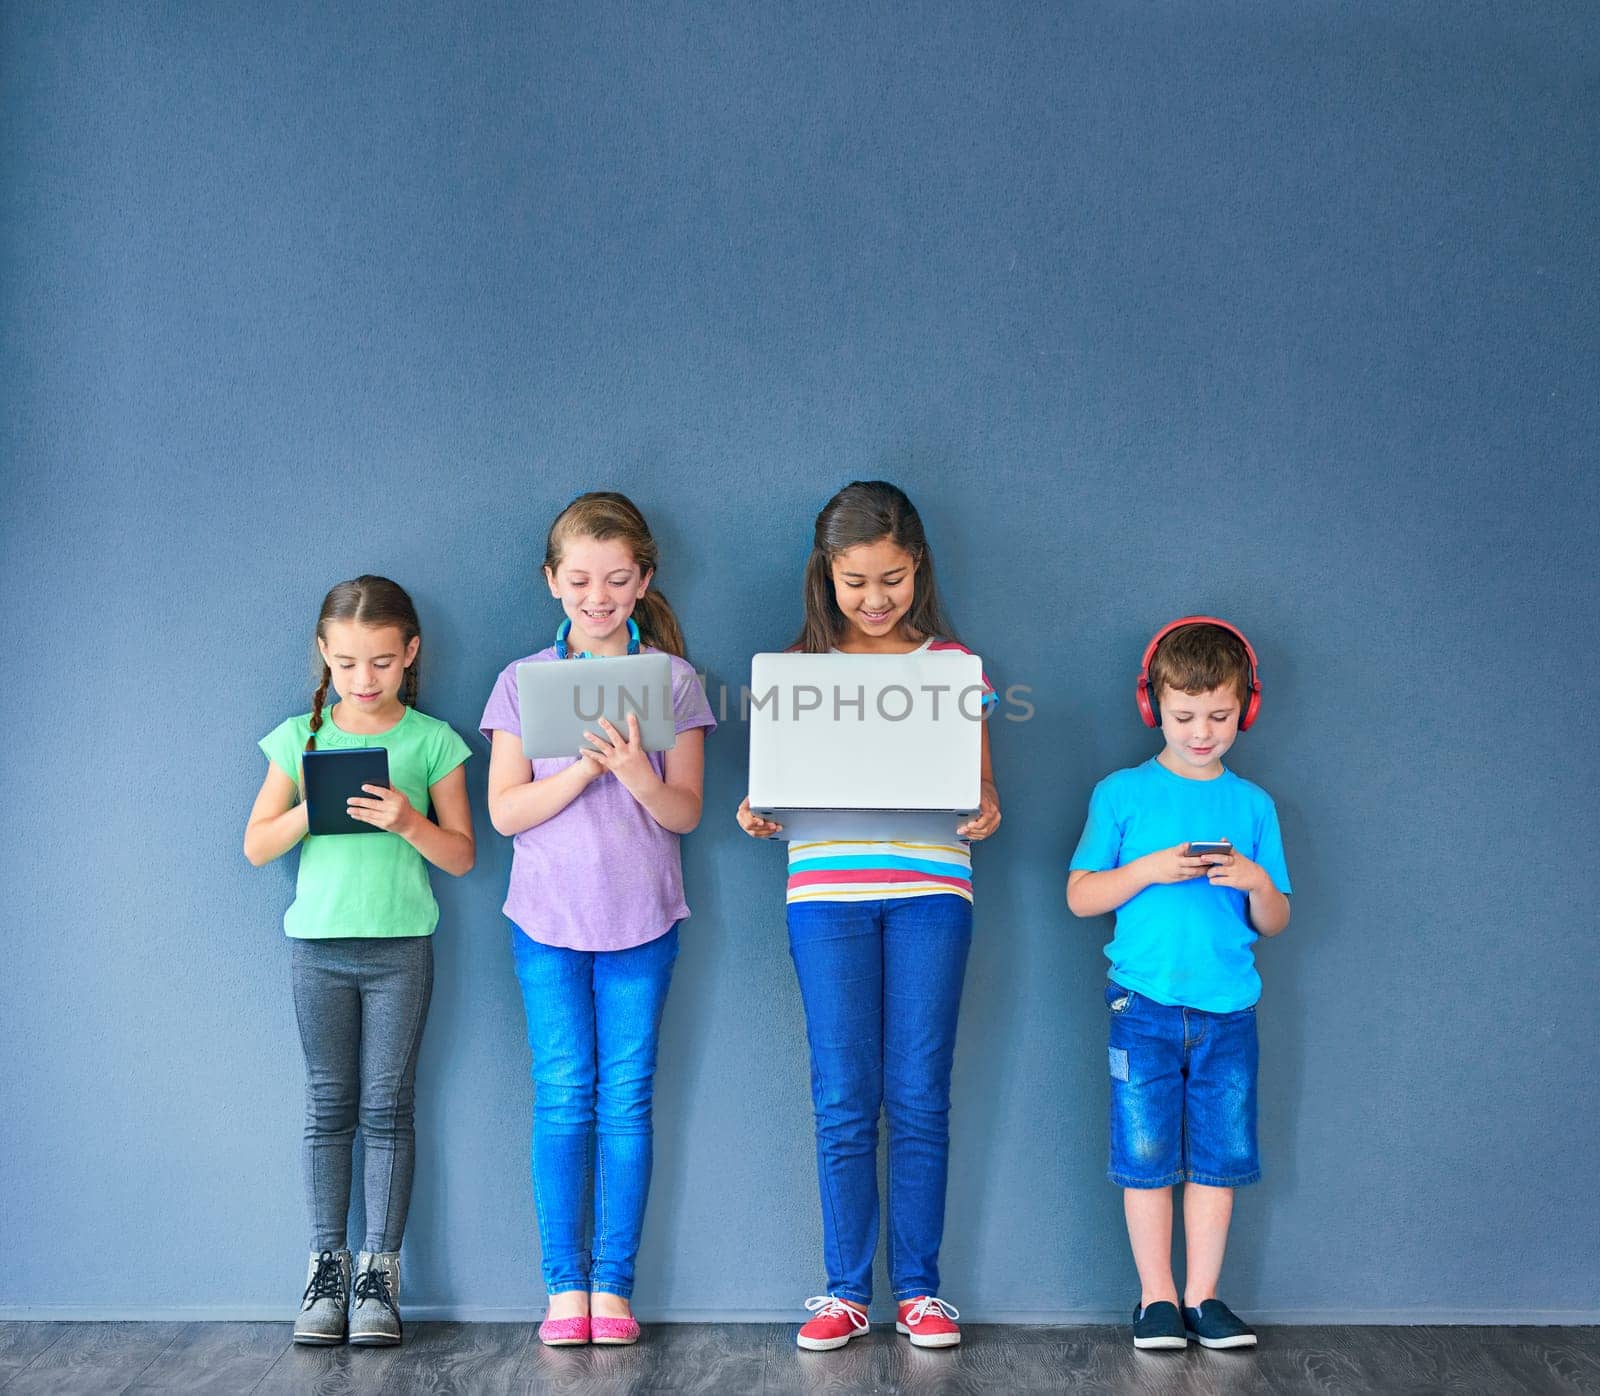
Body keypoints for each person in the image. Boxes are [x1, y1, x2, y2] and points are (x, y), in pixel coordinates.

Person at [737, 481, 1000, 1351]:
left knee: (920, 1094)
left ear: (917, 567)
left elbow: (983, 785)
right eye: (856, 582)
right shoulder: (797, 675)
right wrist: (756, 811)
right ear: (827, 576)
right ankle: (846, 1291)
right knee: (843, 1097)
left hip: (932, 892)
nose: (876, 599)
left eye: (891, 579)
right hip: (825, 898)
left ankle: (920, 1291)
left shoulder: (952, 667)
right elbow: (768, 795)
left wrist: (986, 807)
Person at [482, 492, 715, 1348]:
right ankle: (562, 1287)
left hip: (643, 923)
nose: (598, 595)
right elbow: (504, 812)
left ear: (644, 581)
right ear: (552, 582)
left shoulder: (674, 681)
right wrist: (584, 773)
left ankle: (612, 1286)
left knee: (626, 1100)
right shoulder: (520, 682)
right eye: (579, 579)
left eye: (618, 580)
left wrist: (633, 769)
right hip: (545, 921)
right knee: (562, 1097)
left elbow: (685, 811)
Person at [245, 576, 474, 1347]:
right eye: (347, 664)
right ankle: (325, 1270)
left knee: (388, 1108)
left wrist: (409, 820)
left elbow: (465, 856)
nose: (364, 679)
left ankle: (381, 1274)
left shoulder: (434, 741)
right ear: (324, 656)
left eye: (381, 662)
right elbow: (256, 845)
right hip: (317, 951)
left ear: (410, 654)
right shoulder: (296, 736)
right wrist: (315, 808)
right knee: (327, 1106)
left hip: (401, 948)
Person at [1066, 616, 1291, 1352]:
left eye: (1219, 716)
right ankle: (1155, 1298)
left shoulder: (1254, 807)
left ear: (1245, 710)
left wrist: (1256, 880)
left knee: (1220, 1159)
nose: (1201, 732)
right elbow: (1079, 896)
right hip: (1143, 1008)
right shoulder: (1122, 793)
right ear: (1152, 705)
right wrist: (1149, 870)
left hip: (1231, 1011)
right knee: (1146, 1154)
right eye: (1184, 715)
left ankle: (1204, 1296)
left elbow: (1277, 918)